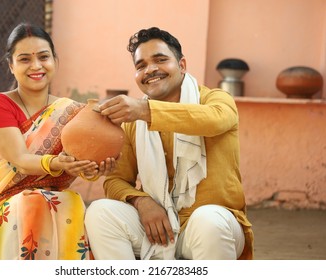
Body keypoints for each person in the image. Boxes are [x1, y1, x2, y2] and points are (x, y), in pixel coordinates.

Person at [85, 27, 254, 260]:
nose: (150, 69)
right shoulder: (134, 122)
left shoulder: (215, 100)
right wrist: (141, 201)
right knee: (100, 212)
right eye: (140, 65)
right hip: (159, 230)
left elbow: (215, 120)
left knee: (209, 221)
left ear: (182, 65)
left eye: (160, 60)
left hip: (212, 226)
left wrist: (145, 110)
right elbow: (116, 181)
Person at [0, 22, 115, 260]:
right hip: (2, 202)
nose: (36, 66)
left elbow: (80, 160)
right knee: (32, 202)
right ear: (11, 66)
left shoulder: (70, 111)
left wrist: (94, 169)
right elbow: (20, 161)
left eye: (43, 57)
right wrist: (59, 164)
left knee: (68, 203)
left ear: (55, 61)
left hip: (55, 199)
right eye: (24, 59)